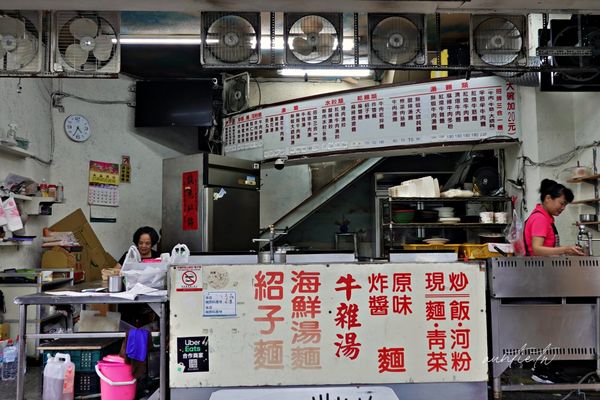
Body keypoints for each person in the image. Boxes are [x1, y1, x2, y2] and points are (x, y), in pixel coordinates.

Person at [524, 179, 584, 256]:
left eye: (565, 205)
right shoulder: (539, 218)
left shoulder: (546, 218)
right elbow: (537, 250)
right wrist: (565, 249)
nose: (563, 208)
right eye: (561, 203)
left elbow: (548, 247)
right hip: (538, 267)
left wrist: (569, 251)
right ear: (548, 198)